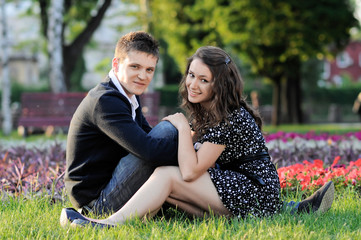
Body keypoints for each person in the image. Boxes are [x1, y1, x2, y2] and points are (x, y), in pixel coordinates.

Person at [61, 46, 335, 228]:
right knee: (167, 186)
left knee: (168, 175)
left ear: (220, 85)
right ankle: (294, 209)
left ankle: (109, 225)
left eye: (204, 80)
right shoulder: (209, 112)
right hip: (236, 188)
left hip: (252, 189)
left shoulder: (228, 115)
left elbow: (190, 171)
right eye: (191, 75)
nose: (193, 84)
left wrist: (180, 128)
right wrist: (181, 133)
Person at [63, 31, 179, 216]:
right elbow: (149, 150)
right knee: (168, 130)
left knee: (168, 133)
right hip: (97, 203)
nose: (143, 76)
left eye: (149, 70)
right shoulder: (105, 101)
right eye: (135, 66)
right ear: (116, 64)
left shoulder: (129, 94)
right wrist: (193, 154)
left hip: (112, 184)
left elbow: (147, 134)